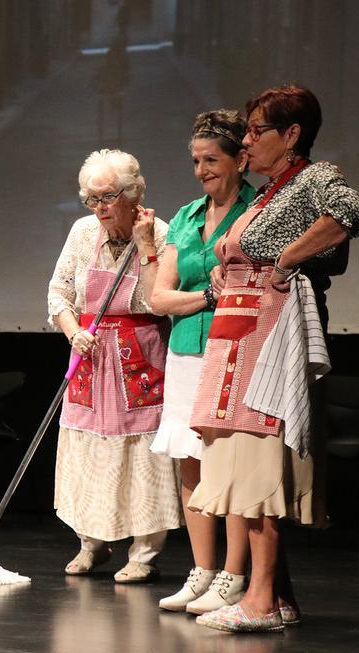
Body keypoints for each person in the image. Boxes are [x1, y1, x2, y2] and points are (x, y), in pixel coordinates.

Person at [189, 85, 359, 632]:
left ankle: (261, 601)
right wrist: (225, 270)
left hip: (269, 339)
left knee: (260, 465)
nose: (247, 140)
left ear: (292, 136)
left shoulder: (312, 177)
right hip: (236, 335)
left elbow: (351, 210)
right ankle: (279, 597)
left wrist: (288, 257)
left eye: (257, 130)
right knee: (240, 463)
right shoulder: (269, 192)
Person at [48, 149, 182, 583]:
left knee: (142, 455)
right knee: (87, 450)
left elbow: (154, 300)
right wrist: (73, 331)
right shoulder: (82, 232)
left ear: (133, 193)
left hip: (139, 356)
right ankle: (92, 543)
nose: (99, 208)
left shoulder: (160, 233)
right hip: (89, 355)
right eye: (91, 199)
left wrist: (145, 247)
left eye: (107, 197)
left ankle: (143, 553)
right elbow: (58, 293)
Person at [151, 111, 256, 613]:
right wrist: (206, 299)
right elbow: (158, 298)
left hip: (235, 348)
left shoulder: (256, 210)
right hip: (186, 349)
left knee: (229, 462)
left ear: (240, 158)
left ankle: (234, 575)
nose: (201, 170)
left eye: (211, 159)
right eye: (196, 161)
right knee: (190, 460)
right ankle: (202, 570)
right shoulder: (187, 215)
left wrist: (194, 297)